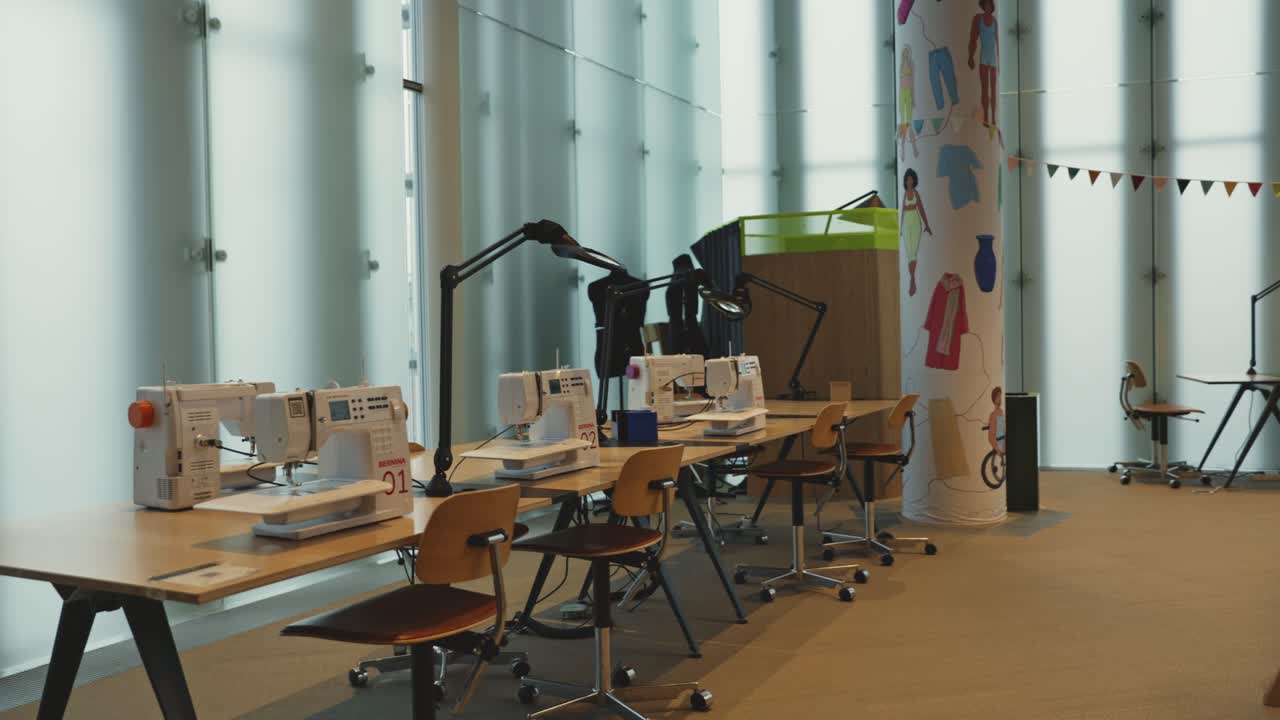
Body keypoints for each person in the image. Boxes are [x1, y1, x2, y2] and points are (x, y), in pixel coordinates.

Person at [900, 168, 932, 297]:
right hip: (906, 224)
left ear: (914, 180)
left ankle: (912, 282)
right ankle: (912, 279)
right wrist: (900, 228)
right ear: (905, 181)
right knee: (909, 253)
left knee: (914, 253)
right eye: (907, 179)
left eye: (911, 179)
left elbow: (922, 209)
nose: (909, 181)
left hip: (916, 223)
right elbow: (902, 211)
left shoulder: (916, 193)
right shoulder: (904, 194)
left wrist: (927, 225)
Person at [967, 0, 999, 128]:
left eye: (989, 4)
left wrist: (1000, 63)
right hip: (983, 58)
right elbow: (973, 38)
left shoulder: (995, 22)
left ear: (992, 6)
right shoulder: (978, 19)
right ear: (982, 5)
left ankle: (993, 118)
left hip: (993, 58)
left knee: (994, 89)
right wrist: (970, 56)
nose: (987, 6)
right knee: (985, 89)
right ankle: (986, 116)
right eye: (985, 4)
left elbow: (998, 43)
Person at [898, 45, 918, 159]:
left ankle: (914, 147)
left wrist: (913, 97)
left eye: (907, 52)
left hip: (909, 93)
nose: (905, 54)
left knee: (909, 124)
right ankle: (903, 150)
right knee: (903, 124)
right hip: (902, 95)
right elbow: (900, 82)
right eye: (904, 52)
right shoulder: (900, 66)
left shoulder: (911, 65)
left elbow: (912, 81)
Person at [986, 386, 1005, 456]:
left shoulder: (1000, 412)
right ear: (994, 399)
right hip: (997, 439)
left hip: (999, 437)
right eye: (998, 396)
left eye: (1000, 396)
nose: (1000, 398)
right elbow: (999, 431)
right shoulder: (995, 413)